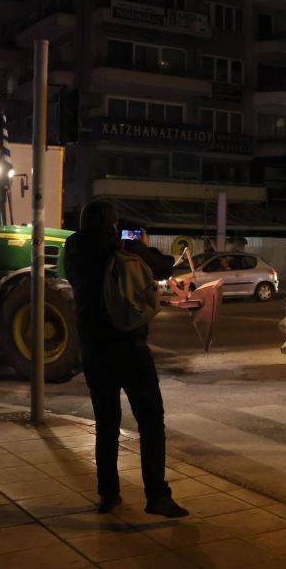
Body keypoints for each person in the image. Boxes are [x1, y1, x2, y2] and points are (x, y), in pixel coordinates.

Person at [64, 201, 188, 518]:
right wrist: (137, 246)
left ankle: (108, 494)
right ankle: (157, 496)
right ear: (112, 223)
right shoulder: (124, 249)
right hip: (129, 348)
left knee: (106, 425)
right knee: (150, 421)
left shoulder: (73, 251)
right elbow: (165, 267)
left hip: (93, 351)